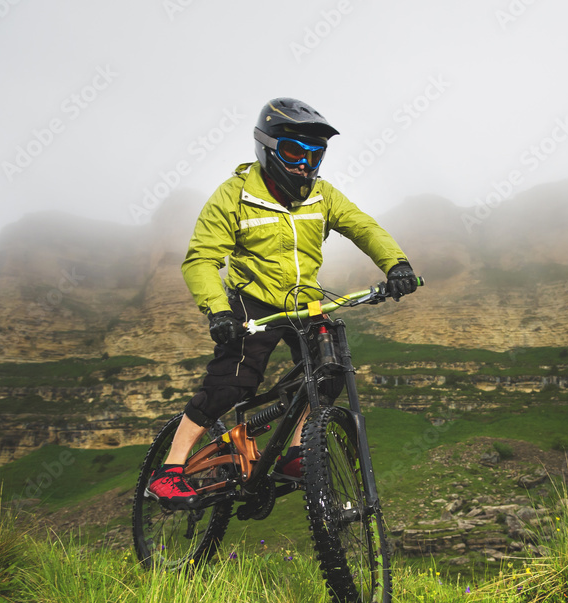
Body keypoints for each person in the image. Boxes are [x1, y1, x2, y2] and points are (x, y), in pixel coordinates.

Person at [146, 97, 417, 507]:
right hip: (252, 303)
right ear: (267, 146)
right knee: (231, 384)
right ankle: (169, 471)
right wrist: (218, 310)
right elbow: (201, 258)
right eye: (294, 151)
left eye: (315, 153)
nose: (305, 164)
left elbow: (363, 227)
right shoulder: (235, 195)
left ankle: (294, 454)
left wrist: (396, 263)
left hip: (305, 303)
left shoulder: (322, 195)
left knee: (330, 373)